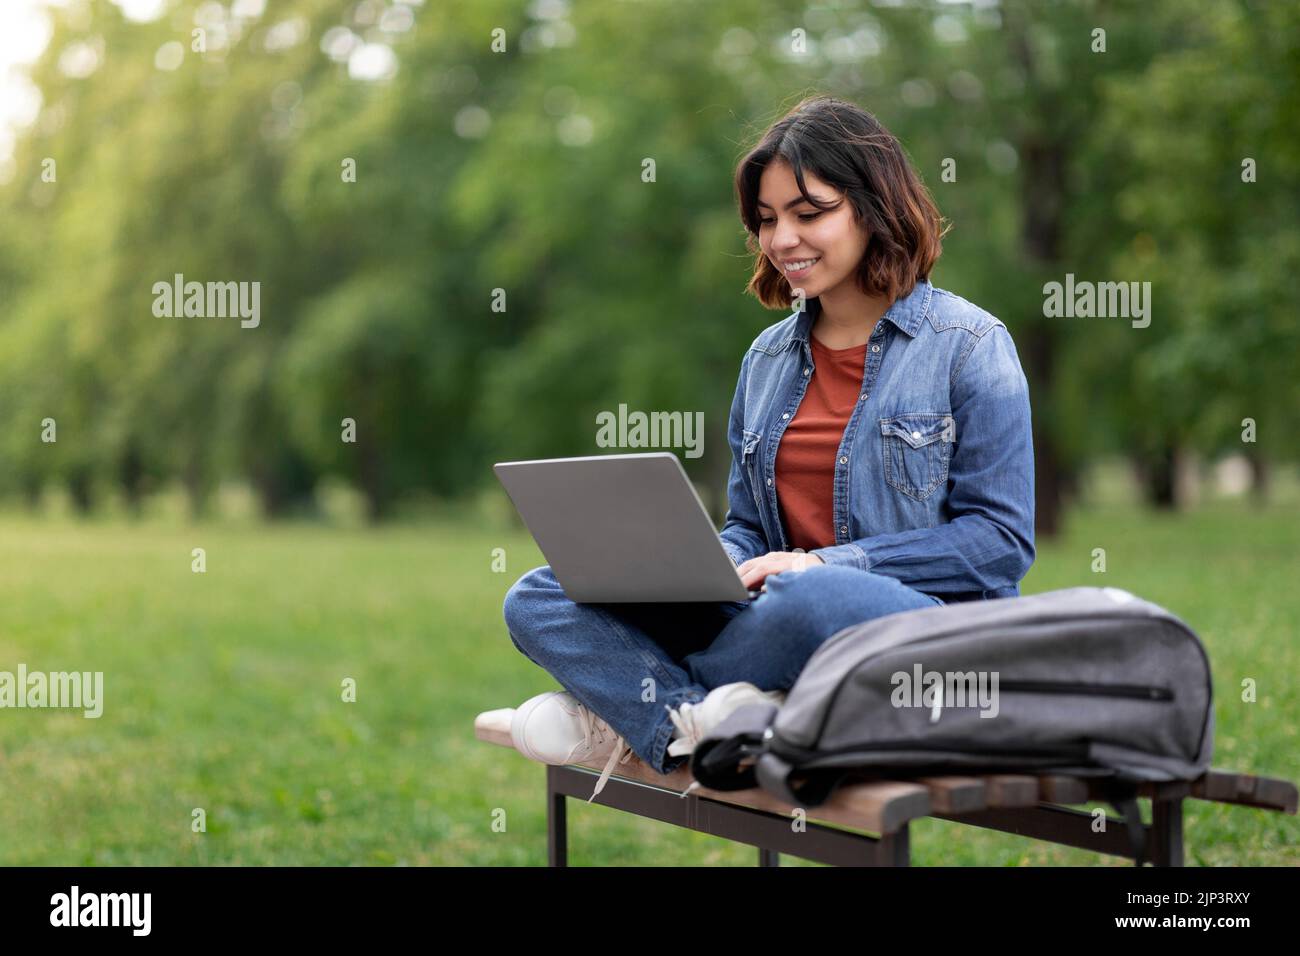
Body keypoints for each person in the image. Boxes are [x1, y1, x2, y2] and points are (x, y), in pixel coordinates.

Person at [502, 94, 1036, 802]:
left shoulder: (969, 346)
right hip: (768, 612)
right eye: (765, 219)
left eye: (808, 212)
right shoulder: (768, 359)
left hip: (912, 634)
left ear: (875, 206)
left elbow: (1000, 542)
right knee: (537, 596)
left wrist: (824, 563)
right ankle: (697, 721)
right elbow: (750, 526)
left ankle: (625, 708)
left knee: (810, 601)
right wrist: (705, 566)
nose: (782, 238)